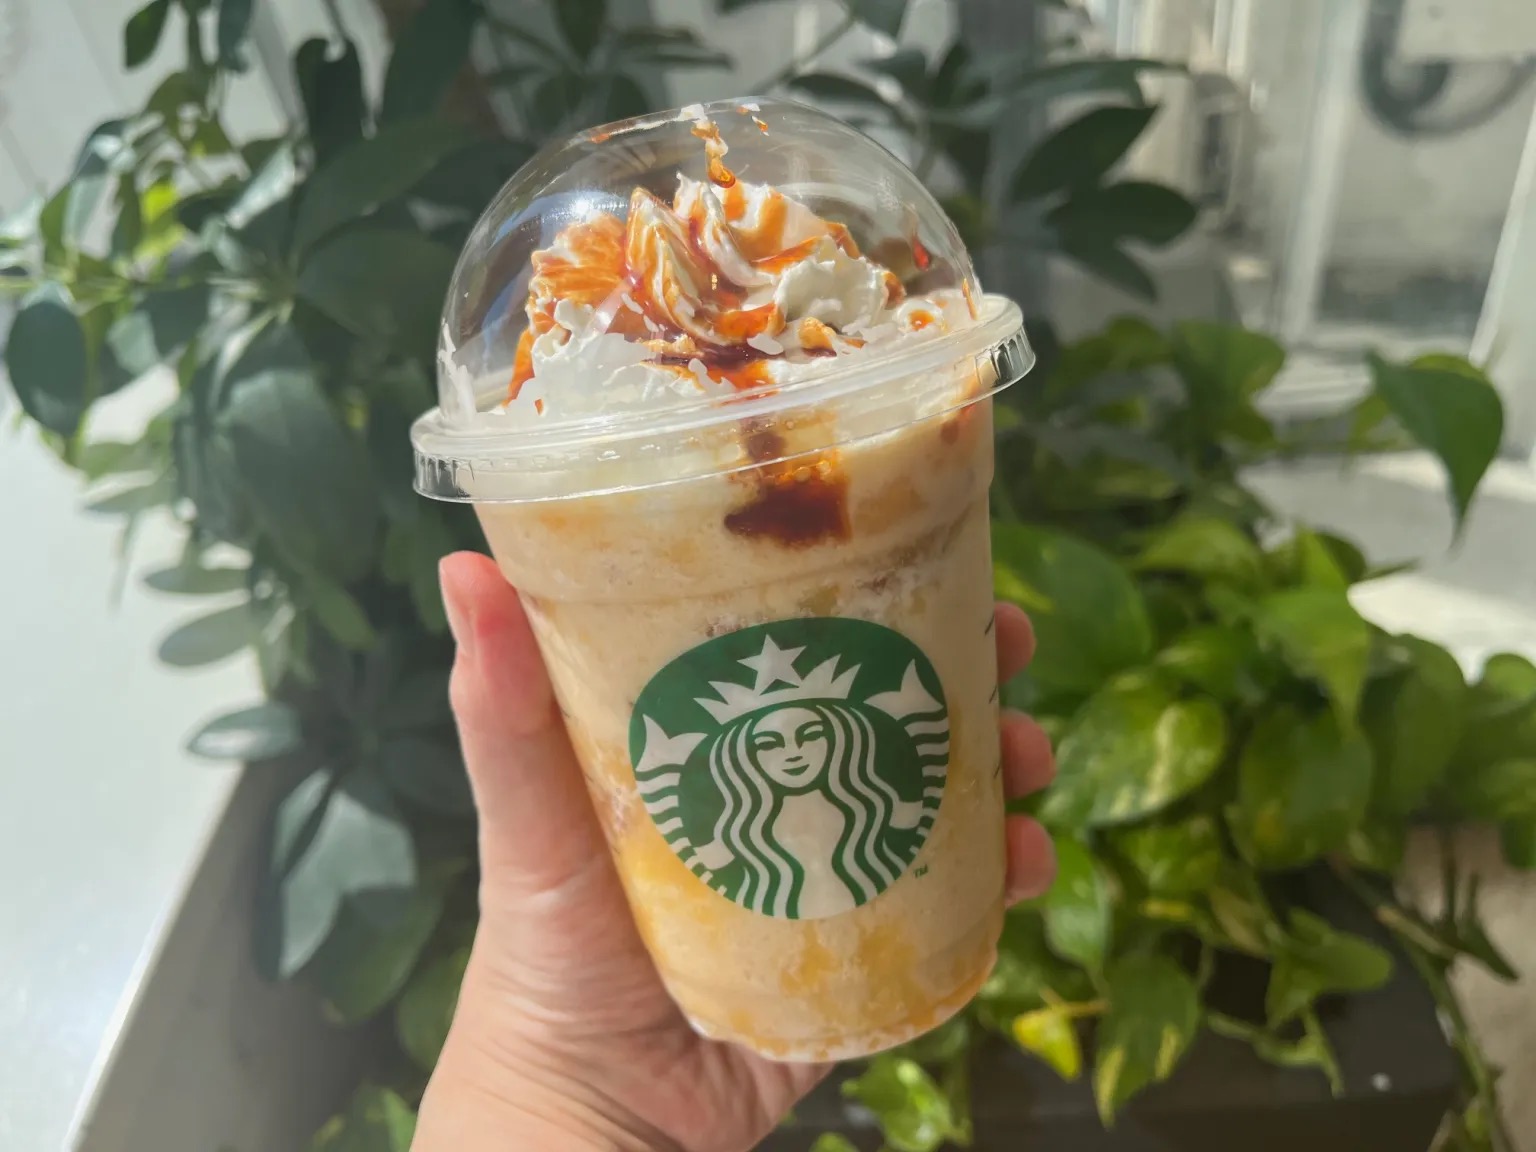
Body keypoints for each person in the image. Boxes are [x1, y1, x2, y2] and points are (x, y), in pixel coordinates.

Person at [414, 552, 1059, 1152]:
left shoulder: (869, 814)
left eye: (810, 733)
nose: (792, 752)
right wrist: (552, 1092)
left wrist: (548, 1097)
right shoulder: (748, 839)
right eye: (768, 745)